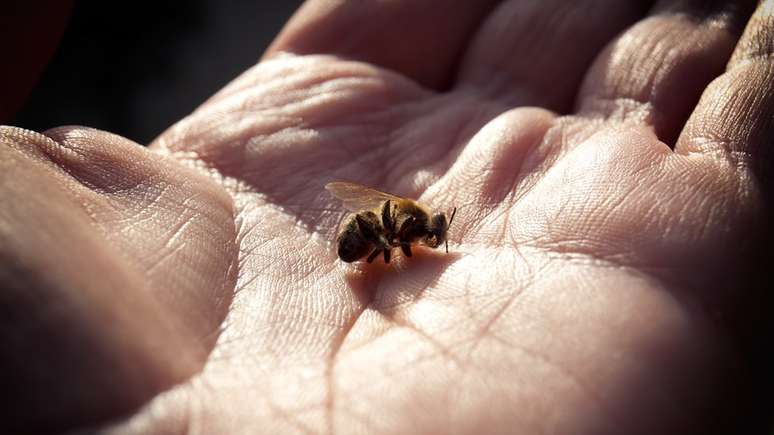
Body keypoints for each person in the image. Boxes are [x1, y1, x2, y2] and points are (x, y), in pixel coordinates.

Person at [1, 1, 772, 433]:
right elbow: (381, 241)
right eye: (428, 236)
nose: (430, 243)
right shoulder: (395, 230)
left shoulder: (404, 221)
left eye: (424, 238)